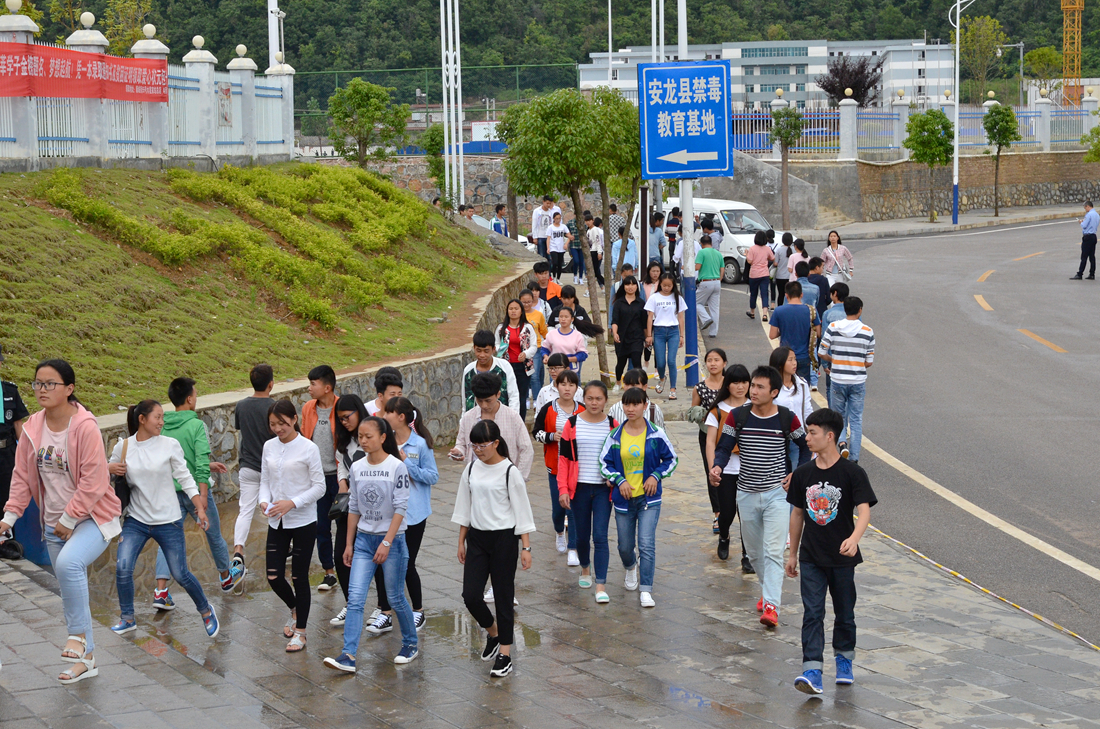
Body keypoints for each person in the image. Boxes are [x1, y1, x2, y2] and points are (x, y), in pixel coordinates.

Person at [1, 359, 122, 684]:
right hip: (53, 525)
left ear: (69, 389)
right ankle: (88, 659)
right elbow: (22, 475)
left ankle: (77, 637)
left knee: (69, 566)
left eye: (49, 383)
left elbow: (95, 481)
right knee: (71, 589)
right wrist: (9, 516)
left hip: (92, 520)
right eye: (38, 383)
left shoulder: (84, 427)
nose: (41, 389)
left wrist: (70, 518)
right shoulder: (33, 428)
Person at [108, 400, 220, 639]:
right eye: (157, 417)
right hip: (136, 520)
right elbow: (102, 469)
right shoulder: (124, 447)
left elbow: (185, 477)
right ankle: (127, 618)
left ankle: (205, 610)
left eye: (162, 417)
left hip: (168, 520)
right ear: (142, 419)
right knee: (123, 567)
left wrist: (200, 507)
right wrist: (110, 468)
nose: (162, 422)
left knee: (180, 574)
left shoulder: (170, 444)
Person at [710, 366, 810, 629]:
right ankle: (768, 593)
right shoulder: (737, 416)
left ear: (774, 392)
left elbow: (805, 446)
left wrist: (796, 474)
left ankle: (771, 607)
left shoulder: (787, 419)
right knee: (754, 554)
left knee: (774, 551)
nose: (752, 391)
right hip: (746, 493)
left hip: (777, 494)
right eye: (752, 386)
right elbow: (722, 448)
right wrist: (717, 466)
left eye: (759, 387)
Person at [787, 408, 876, 695]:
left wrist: (854, 538)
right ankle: (812, 669)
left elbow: (863, 512)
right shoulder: (803, 474)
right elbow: (798, 514)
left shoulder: (853, 473)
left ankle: (844, 660)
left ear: (830, 436)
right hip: (811, 555)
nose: (807, 437)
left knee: (844, 612)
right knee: (812, 612)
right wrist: (792, 552)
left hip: (842, 556)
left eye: (812, 432)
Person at [322, 416, 418, 672]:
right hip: (364, 540)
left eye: (369, 436)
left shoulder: (397, 467)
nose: (363, 441)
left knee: (396, 598)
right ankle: (348, 655)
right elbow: (354, 507)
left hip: (393, 541)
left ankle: (410, 643)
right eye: (361, 437)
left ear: (383, 438)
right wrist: (349, 543)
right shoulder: (357, 467)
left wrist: (386, 542)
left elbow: (400, 508)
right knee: (355, 599)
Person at [453, 420, 535, 678]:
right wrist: (461, 541)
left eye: (483, 445)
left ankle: (505, 654)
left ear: (497, 443)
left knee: (503, 596)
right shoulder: (471, 469)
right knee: (471, 595)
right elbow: (464, 506)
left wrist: (526, 547)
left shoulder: (509, 472)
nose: (477, 450)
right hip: (476, 539)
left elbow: (522, 511)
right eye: (473, 445)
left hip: (504, 540)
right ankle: (494, 633)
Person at [151, 378, 242, 611]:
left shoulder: (163, 425)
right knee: (213, 533)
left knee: (166, 539)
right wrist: (202, 495)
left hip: (170, 492)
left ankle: (161, 591)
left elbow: (174, 460)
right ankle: (225, 577)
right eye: (196, 394)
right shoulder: (196, 425)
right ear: (190, 399)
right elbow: (199, 462)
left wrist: (209, 467)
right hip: (194, 492)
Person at [600, 387, 678, 608]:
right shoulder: (615, 435)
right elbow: (604, 464)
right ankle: (630, 566)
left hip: (649, 499)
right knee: (625, 546)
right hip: (623, 500)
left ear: (646, 405)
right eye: (627, 404)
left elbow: (671, 459)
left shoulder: (655, 433)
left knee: (646, 543)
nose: (631, 409)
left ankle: (646, 589)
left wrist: (655, 475)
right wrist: (619, 480)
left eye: (636, 404)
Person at [260, 399, 326, 652]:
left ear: (294, 419)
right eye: (273, 424)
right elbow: (265, 479)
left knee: (299, 577)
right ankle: (295, 609)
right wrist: (264, 501)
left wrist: (293, 503)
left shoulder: (308, 448)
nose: (278, 428)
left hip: (303, 521)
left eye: (282, 423)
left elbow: (319, 487)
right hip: (276, 521)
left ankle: (301, 632)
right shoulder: (269, 446)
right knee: (273, 576)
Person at [558, 381, 617, 602]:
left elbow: (619, 457)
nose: (594, 402)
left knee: (600, 536)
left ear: (605, 401)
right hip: (578, 489)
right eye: (590, 398)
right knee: (581, 536)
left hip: (603, 489)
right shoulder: (572, 424)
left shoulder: (613, 425)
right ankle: (585, 568)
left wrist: (616, 478)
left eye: (598, 399)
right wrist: (563, 489)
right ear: (584, 399)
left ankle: (601, 585)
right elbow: (563, 460)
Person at [382, 397, 437, 632]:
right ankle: (386, 611)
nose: (384, 417)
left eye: (388, 413)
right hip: (391, 513)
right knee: (387, 563)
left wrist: (407, 465)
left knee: (407, 563)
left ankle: (418, 610)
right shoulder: (386, 443)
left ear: (401, 417)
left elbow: (432, 476)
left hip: (414, 514)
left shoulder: (420, 445)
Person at [704, 364, 752, 569]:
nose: (740, 387)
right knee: (728, 512)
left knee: (748, 515)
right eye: (735, 382)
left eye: (744, 382)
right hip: (726, 468)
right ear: (727, 384)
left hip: (750, 468)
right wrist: (712, 468)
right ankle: (724, 536)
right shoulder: (717, 410)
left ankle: (747, 555)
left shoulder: (756, 407)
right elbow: (710, 442)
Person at [533, 369, 582, 565]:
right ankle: (559, 532)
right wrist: (551, 436)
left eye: (571, 385)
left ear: (576, 388)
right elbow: (536, 433)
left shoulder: (583, 409)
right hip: (555, 466)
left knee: (574, 508)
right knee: (558, 508)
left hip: (577, 468)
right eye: (563, 384)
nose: (567, 388)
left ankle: (573, 548)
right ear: (557, 387)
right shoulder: (547, 409)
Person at [820, 297, 875, 466]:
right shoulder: (867, 331)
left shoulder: (833, 327)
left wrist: (834, 360)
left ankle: (842, 443)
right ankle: (854, 458)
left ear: (845, 310)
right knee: (856, 419)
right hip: (857, 380)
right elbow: (869, 361)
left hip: (838, 378)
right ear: (860, 310)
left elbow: (822, 351)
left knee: (839, 416)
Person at [302, 365, 342, 593]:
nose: (309, 388)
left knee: (344, 524)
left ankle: (348, 566)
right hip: (317, 479)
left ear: (327, 387)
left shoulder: (342, 407)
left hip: (340, 477)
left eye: (313, 384)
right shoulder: (308, 408)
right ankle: (329, 572)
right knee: (321, 527)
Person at [452, 373, 535, 482]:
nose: (484, 405)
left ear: (498, 394)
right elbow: (461, 443)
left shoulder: (512, 417)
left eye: (488, 401)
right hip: (476, 477)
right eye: (479, 401)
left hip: (505, 477)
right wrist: (458, 452)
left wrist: (519, 478)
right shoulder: (468, 417)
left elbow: (527, 449)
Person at [329, 394, 367, 628]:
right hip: (349, 506)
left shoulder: (373, 432)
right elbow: (340, 463)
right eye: (340, 419)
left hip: (372, 507)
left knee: (377, 560)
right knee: (340, 555)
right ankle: (351, 603)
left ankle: (385, 608)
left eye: (347, 417)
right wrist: (342, 482)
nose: (344, 422)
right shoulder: (344, 440)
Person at [232, 364, 275, 572]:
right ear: (271, 384)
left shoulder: (241, 405)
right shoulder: (274, 407)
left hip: (247, 467)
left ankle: (238, 550)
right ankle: (283, 547)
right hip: (271, 468)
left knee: (245, 511)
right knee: (275, 508)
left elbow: (241, 428)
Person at [691, 349, 727, 535]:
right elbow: (693, 411)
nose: (713, 363)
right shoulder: (699, 387)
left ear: (724, 363)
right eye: (709, 360)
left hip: (729, 435)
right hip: (708, 436)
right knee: (712, 472)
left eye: (717, 360)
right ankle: (718, 513)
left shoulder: (731, 385)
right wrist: (700, 415)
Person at [770, 347, 814, 472]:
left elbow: (807, 411)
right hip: (776, 439)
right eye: (790, 360)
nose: (794, 363)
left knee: (796, 474)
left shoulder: (802, 384)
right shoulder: (771, 386)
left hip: (798, 438)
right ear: (780, 363)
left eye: (794, 359)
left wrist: (812, 433)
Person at [644, 273, 687, 400]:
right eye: (664, 285)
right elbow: (650, 317)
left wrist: (681, 335)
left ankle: (673, 389)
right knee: (661, 362)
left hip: (673, 331)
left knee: (672, 361)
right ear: (660, 285)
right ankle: (662, 378)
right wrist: (649, 335)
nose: (667, 288)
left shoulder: (678, 298)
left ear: (673, 285)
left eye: (669, 285)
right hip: (659, 331)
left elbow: (681, 318)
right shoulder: (654, 298)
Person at [769, 281, 820, 382]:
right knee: (802, 389)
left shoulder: (779, 311)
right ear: (801, 294)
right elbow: (818, 333)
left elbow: (772, 335)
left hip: (785, 357)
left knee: (785, 387)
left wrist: (782, 330)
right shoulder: (811, 310)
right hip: (804, 356)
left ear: (786, 296)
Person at [495, 299, 537, 421]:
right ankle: (506, 421)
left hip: (523, 367)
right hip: (506, 366)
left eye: (516, 308)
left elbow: (534, 346)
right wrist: (502, 349)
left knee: (521, 396)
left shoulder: (528, 327)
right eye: (511, 309)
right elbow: (496, 344)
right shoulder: (500, 328)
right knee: (506, 395)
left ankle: (520, 422)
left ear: (521, 311)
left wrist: (525, 353)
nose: (513, 311)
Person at [0, 345, 28, 520]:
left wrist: (25, 455)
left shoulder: (9, 391)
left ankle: (6, 542)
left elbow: (18, 425)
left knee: (7, 501)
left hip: (6, 454)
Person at [462, 330, 521, 414]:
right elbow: (465, 401)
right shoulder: (468, 371)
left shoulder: (504, 367)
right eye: (478, 351)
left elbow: (513, 396)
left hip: (501, 419)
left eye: (486, 351)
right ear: (474, 348)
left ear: (493, 349)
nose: (482, 355)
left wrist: (512, 419)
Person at [610, 275, 646, 386]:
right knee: (621, 363)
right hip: (622, 337)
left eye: (633, 284)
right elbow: (615, 320)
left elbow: (644, 322)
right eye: (627, 284)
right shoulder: (618, 303)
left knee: (636, 362)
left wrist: (648, 337)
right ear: (623, 286)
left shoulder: (641, 303)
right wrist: (615, 333)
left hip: (637, 337)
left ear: (637, 286)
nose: (630, 287)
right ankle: (618, 383)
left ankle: (638, 385)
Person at [818, 282, 850, 404]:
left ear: (835, 294)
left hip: (833, 358)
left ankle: (833, 419)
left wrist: (825, 364)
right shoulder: (852, 313)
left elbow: (825, 339)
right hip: (850, 359)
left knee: (831, 388)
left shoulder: (828, 314)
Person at [520, 289, 549, 411]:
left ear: (533, 301)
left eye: (529, 302)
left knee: (535, 375)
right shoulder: (518, 315)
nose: (526, 304)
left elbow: (544, 332)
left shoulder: (538, 315)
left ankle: (537, 400)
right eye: (524, 302)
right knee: (524, 374)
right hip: (521, 349)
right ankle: (526, 398)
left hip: (536, 347)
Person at [540, 307, 589, 379]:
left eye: (566, 317)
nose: (563, 319)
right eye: (561, 316)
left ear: (572, 319)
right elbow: (544, 349)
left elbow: (583, 354)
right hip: (555, 370)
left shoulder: (578, 335)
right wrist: (546, 357)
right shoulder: (551, 334)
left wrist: (568, 359)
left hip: (572, 370)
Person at [695, 234, 724, 338]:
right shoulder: (718, 253)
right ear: (711, 243)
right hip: (717, 282)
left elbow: (697, 267)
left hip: (705, 282)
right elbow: (722, 269)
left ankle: (706, 319)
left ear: (701, 244)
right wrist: (719, 280)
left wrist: (687, 267)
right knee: (714, 308)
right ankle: (713, 332)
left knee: (695, 302)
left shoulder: (701, 252)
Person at [745, 231, 775, 322]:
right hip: (764, 273)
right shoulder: (767, 249)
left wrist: (746, 254)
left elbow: (750, 261)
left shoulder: (752, 249)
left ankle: (752, 312)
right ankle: (765, 314)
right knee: (764, 294)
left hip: (754, 274)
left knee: (753, 294)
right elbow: (772, 258)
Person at [1072, 200, 1098, 279]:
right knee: (1092, 256)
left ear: (1088, 206)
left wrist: (1081, 222)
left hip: (1088, 236)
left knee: (1084, 256)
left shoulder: (1088, 215)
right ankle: (1092, 273)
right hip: (1093, 235)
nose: (1085, 209)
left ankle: (1080, 273)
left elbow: (1084, 225)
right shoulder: (1096, 214)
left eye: (1085, 208)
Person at [547, 212, 573, 283]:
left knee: (559, 264)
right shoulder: (550, 227)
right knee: (554, 263)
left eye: (559, 218)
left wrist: (566, 244)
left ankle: (558, 278)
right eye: (556, 219)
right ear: (553, 219)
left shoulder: (563, 226)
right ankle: (554, 277)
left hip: (561, 248)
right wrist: (548, 248)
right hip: (553, 247)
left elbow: (569, 235)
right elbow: (548, 238)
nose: (558, 220)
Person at [807, 258, 832, 331]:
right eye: (822, 267)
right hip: (821, 311)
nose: (822, 269)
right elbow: (828, 298)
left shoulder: (805, 279)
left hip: (807, 312)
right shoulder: (823, 280)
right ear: (817, 267)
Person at [771, 233, 793, 309]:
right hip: (790, 277)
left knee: (781, 294)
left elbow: (775, 263)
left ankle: (780, 309)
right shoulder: (794, 250)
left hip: (780, 276)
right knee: (790, 295)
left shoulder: (779, 250)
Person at [530, 196, 555, 264]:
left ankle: (549, 273)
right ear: (543, 202)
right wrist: (535, 237)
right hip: (540, 236)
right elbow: (534, 224)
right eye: (547, 203)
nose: (548, 205)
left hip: (549, 237)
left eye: (550, 203)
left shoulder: (551, 212)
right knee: (542, 256)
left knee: (549, 257)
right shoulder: (537, 211)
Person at [586, 214, 605, 289]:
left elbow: (598, 241)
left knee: (595, 272)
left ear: (592, 221)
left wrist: (599, 252)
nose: (588, 223)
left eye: (589, 221)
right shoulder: (588, 231)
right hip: (591, 251)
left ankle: (590, 288)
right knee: (595, 272)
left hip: (595, 251)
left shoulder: (595, 230)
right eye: (586, 221)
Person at [567, 213, 586, 286]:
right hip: (573, 245)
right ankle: (575, 275)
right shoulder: (570, 223)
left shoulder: (583, 224)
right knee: (576, 261)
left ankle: (580, 277)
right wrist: (569, 236)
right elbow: (565, 232)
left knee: (581, 262)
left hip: (581, 246)